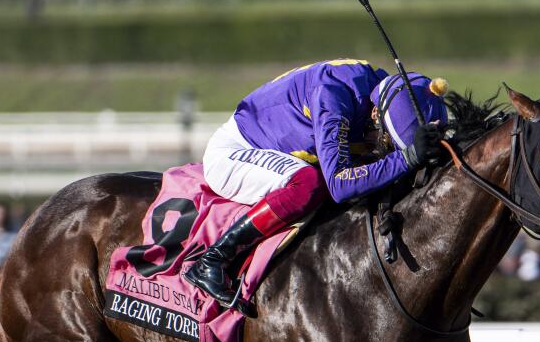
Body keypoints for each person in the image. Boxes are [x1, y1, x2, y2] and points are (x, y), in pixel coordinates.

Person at [184, 58, 450, 306]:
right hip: (234, 152)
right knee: (309, 183)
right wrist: (406, 159)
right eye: (388, 142)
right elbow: (339, 185)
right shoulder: (333, 98)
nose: (384, 148)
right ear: (376, 116)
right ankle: (213, 260)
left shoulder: (383, 93)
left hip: (273, 141)